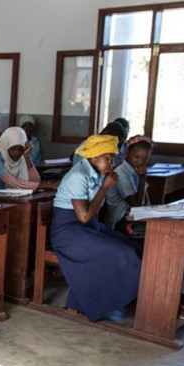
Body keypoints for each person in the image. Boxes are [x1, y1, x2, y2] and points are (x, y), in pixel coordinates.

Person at [50, 135, 141, 322]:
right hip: (69, 233)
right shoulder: (78, 176)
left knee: (133, 246)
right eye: (108, 158)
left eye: (114, 158)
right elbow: (83, 216)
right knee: (119, 253)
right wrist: (105, 189)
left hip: (87, 228)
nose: (112, 163)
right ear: (93, 157)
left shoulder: (97, 173)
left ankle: (110, 299)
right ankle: (102, 303)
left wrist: (104, 185)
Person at [106, 135, 152, 231]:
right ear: (127, 153)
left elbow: (144, 202)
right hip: (122, 220)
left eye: (145, 158)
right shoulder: (121, 173)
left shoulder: (136, 172)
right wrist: (143, 178)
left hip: (135, 216)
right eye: (137, 157)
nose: (140, 161)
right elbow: (137, 205)